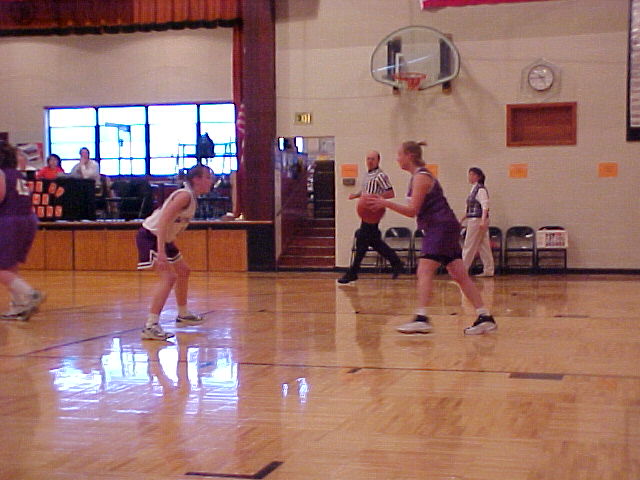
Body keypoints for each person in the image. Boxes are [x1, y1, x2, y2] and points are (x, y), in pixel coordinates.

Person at [367, 141, 496, 335]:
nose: (397, 158)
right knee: (459, 275)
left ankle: (421, 318)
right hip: (444, 226)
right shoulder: (417, 177)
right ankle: (484, 317)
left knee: (425, 270)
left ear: (410, 156)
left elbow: (412, 211)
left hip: (440, 226)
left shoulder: (421, 178)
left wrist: (384, 203)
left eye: (399, 155)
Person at [136, 164, 214, 340]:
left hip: (164, 239)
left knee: (183, 271)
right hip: (151, 236)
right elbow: (163, 220)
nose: (211, 181)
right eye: (208, 177)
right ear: (197, 179)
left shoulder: (191, 196)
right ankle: (150, 325)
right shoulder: (184, 196)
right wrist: (161, 251)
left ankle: (183, 313)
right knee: (169, 277)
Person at [337, 150, 404, 285]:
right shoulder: (367, 175)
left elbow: (390, 193)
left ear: (378, 160)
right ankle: (396, 262)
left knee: (362, 239)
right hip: (366, 212)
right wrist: (356, 195)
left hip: (374, 212)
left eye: (372, 159)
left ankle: (353, 272)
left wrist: (375, 199)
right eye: (368, 159)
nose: (370, 161)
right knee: (372, 241)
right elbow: (366, 192)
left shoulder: (380, 176)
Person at [0, 141, 45, 321]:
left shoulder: (1, 173)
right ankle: (19, 305)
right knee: (10, 266)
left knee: (1, 267)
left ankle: (29, 294)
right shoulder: (18, 173)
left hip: (9, 221)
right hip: (27, 219)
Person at [460, 167, 494, 277]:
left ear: (477, 176)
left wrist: (483, 220)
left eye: (471, 174)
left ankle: (462, 270)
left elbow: (485, 206)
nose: (469, 177)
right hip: (475, 219)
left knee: (469, 244)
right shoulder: (474, 189)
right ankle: (488, 270)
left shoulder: (480, 189)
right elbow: (470, 209)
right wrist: (462, 219)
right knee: (483, 246)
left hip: (477, 220)